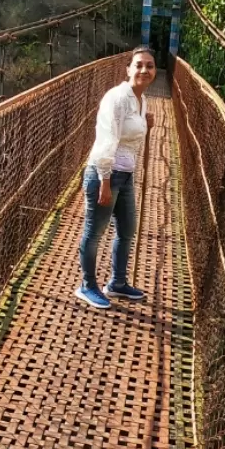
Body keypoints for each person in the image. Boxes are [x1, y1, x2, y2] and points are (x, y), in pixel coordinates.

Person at [75, 47, 156, 311]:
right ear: (128, 69)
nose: (144, 70)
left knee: (127, 230)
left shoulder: (140, 99)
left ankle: (117, 283)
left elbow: (129, 133)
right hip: (104, 176)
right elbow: (106, 142)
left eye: (150, 66)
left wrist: (147, 123)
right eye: (139, 65)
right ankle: (87, 286)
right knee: (94, 232)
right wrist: (106, 183)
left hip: (126, 175)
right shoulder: (118, 98)